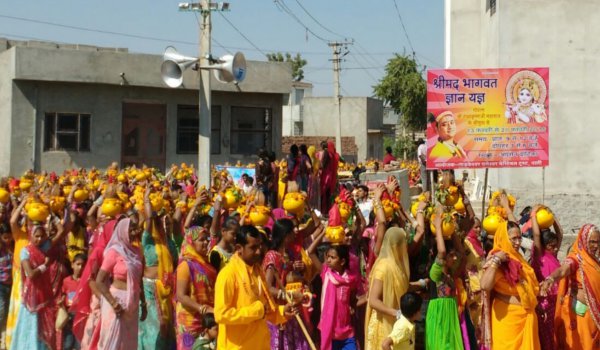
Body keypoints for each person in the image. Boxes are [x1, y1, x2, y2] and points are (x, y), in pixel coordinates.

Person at [214, 225, 297, 350]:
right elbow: (221, 315)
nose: (258, 251)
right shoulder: (227, 275)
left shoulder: (258, 272)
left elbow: (266, 310)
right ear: (239, 248)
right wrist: (256, 311)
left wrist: (283, 311)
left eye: (259, 246)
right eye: (253, 248)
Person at [480, 220, 540, 350]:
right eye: (513, 239)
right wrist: (497, 261)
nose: (518, 242)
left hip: (527, 317)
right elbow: (484, 285)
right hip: (507, 320)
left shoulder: (519, 258)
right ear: (504, 238)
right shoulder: (497, 259)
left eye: (519, 238)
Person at [12, 215, 68, 349]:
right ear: (30, 235)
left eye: (41, 236)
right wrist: (45, 266)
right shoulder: (25, 252)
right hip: (32, 295)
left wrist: (52, 214)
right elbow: (30, 274)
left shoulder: (44, 247)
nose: (39, 239)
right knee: (31, 323)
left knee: (44, 323)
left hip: (44, 292)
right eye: (36, 236)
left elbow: (61, 232)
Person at [540, 223, 600, 349]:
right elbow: (563, 270)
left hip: (595, 316)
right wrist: (551, 278)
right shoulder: (576, 258)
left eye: (598, 242)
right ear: (583, 240)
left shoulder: (595, 261)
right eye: (592, 242)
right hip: (581, 313)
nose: (596, 245)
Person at [306, 225, 363, 350]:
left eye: (333, 257)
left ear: (342, 261)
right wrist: (323, 234)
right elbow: (310, 252)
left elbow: (353, 300)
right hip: (330, 333)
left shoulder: (350, 280)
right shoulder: (325, 273)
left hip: (347, 333)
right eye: (327, 257)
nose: (329, 260)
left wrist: (353, 306)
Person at [94, 218, 146, 350]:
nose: (135, 232)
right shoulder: (114, 252)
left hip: (132, 303)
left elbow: (139, 280)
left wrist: (143, 303)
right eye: (131, 230)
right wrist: (113, 302)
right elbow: (99, 281)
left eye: (136, 229)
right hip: (116, 303)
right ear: (123, 232)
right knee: (112, 342)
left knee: (127, 344)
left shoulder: (137, 252)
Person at [138, 187, 178, 349]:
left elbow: (175, 265)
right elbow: (148, 221)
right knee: (153, 329)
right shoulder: (147, 240)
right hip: (149, 289)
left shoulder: (169, 243)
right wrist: (147, 200)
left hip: (166, 290)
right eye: (157, 220)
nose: (161, 223)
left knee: (166, 328)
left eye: (163, 220)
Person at [262, 219, 311, 350]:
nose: (295, 233)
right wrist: (288, 295)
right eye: (292, 231)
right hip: (277, 312)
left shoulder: (288, 255)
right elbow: (267, 287)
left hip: (290, 309)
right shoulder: (271, 256)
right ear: (285, 235)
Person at [426, 208, 469, 350]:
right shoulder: (435, 272)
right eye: (452, 256)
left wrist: (451, 231)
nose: (454, 258)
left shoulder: (451, 272)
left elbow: (462, 254)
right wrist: (439, 227)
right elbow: (442, 252)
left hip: (450, 314)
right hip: (439, 315)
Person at [364, 227, 410, 350]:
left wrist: (420, 284)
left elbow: (399, 286)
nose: (405, 247)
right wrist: (396, 313)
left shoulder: (397, 265)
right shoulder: (383, 267)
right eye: (403, 243)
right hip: (382, 323)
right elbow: (373, 300)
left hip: (396, 322)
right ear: (396, 246)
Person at [175, 226, 217, 350]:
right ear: (191, 242)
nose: (206, 242)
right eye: (201, 240)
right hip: (190, 320)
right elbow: (181, 296)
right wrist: (202, 309)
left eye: (206, 239)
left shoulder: (207, 265)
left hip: (208, 319)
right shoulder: (186, 266)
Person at [529, 205, 562, 350]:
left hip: (557, 300)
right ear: (543, 245)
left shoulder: (552, 254)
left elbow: (560, 233)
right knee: (546, 338)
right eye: (551, 246)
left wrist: (551, 215)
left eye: (555, 246)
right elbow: (536, 235)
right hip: (544, 303)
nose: (555, 248)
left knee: (557, 334)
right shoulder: (539, 255)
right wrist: (534, 214)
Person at [61, 253, 87, 350]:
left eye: (83, 265)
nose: (80, 267)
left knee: (79, 344)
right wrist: (62, 303)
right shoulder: (66, 281)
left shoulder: (87, 282)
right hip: (69, 315)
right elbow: (63, 295)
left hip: (81, 315)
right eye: (78, 264)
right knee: (67, 343)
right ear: (72, 265)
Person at [0, 224, 13, 341]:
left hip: (11, 285)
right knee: (1, 311)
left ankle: (5, 337)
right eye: (5, 237)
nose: (8, 240)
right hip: (1, 285)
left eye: (10, 237)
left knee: (8, 311)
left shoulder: (13, 248)